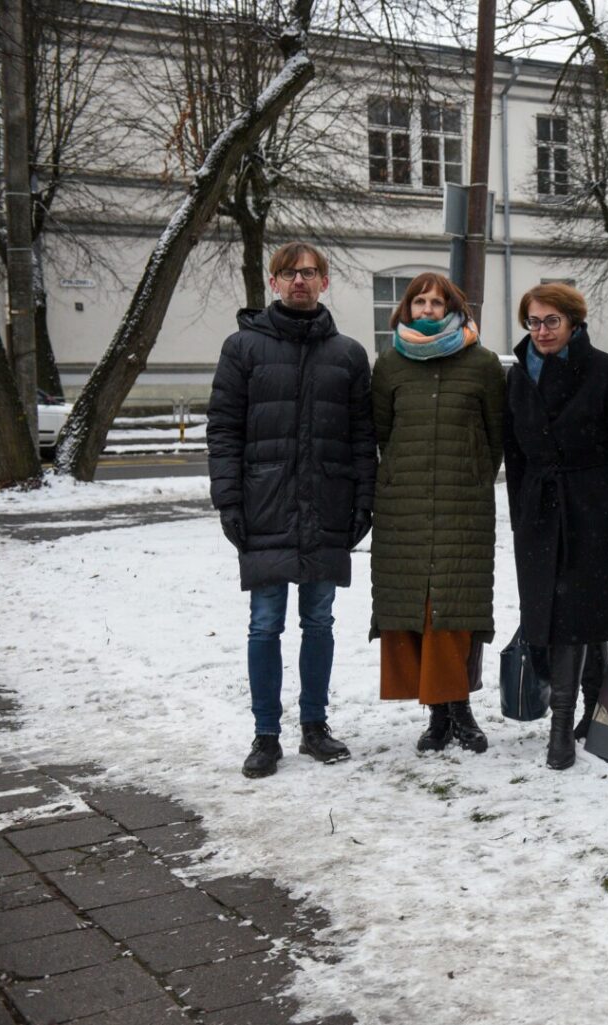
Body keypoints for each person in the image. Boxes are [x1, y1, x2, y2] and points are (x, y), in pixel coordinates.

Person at [207, 241, 377, 779]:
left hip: (326, 504)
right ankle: (265, 735)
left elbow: (362, 438)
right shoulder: (242, 348)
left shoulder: (348, 355)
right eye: (289, 273)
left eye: (309, 273)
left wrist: (363, 500)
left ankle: (314, 726)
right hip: (265, 505)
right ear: (273, 282)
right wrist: (228, 500)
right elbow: (224, 431)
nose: (299, 281)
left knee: (320, 621)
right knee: (264, 624)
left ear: (325, 282)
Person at [503, 283, 608, 769]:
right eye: (534, 321)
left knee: (573, 616)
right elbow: (516, 453)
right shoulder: (519, 376)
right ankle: (593, 709)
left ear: (573, 323)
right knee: (567, 616)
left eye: (551, 321)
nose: (542, 331)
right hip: (540, 514)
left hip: (593, 512)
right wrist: (521, 514)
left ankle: (561, 728)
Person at [370, 273, 504, 753]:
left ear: (454, 308)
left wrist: (469, 474)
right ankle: (437, 715)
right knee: (416, 607)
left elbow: (495, 436)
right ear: (406, 308)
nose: (427, 310)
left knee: (453, 608)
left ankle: (460, 708)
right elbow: (384, 433)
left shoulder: (483, 363)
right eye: (419, 301)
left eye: (437, 302)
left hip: (461, 503)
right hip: (403, 503)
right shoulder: (388, 365)